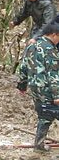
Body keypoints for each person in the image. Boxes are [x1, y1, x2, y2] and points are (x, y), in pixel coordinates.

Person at [17, 21, 59, 150]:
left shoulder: (31, 47)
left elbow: (23, 67)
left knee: (44, 116)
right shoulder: (50, 50)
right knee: (50, 113)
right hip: (47, 88)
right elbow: (53, 75)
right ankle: (39, 145)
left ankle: (39, 144)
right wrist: (57, 95)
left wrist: (22, 86)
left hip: (35, 88)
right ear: (54, 35)